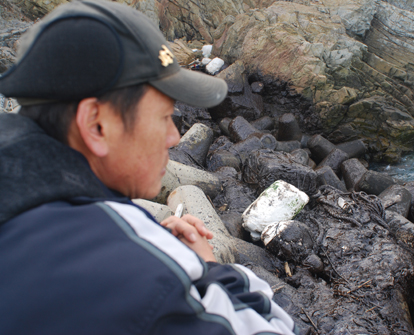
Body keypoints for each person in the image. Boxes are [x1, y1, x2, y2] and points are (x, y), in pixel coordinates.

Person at [0, 1, 297, 334]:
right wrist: (208, 268)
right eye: (163, 118)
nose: (173, 138)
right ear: (97, 125)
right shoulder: (138, 274)